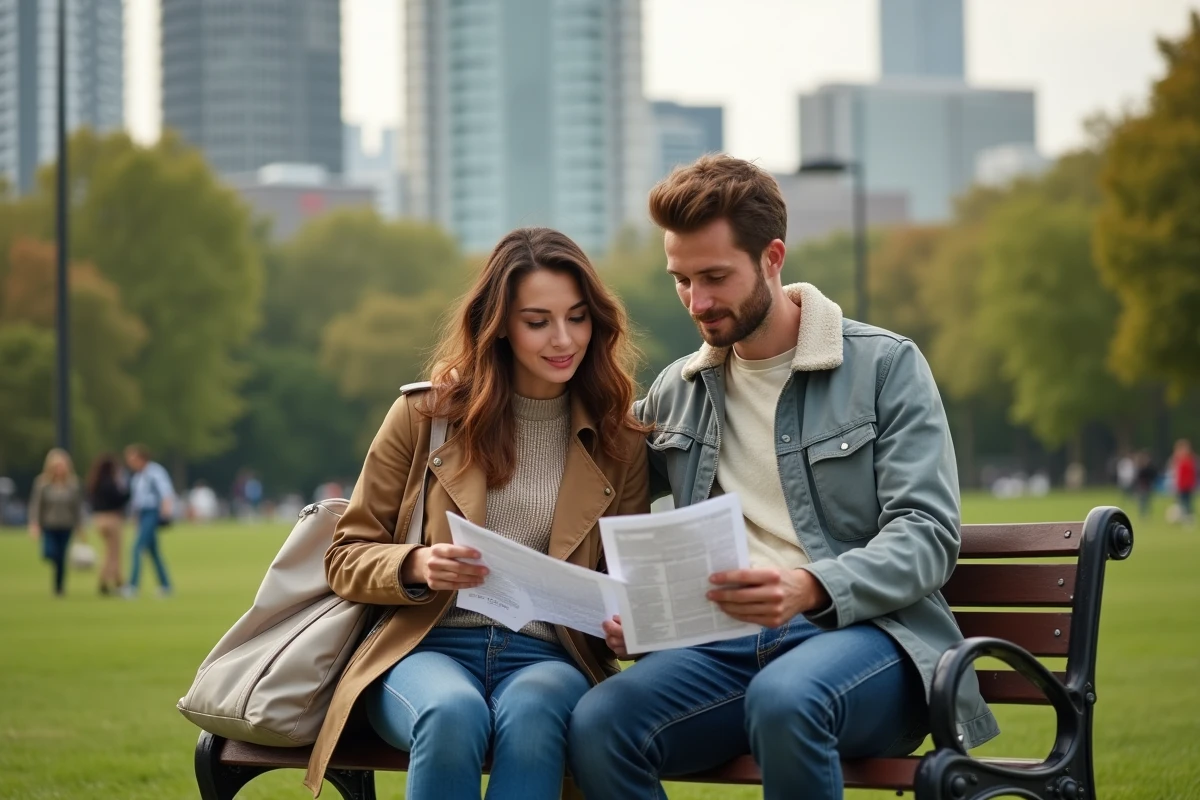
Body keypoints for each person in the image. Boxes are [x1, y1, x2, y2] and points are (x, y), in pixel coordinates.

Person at [568, 155, 998, 800]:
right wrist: (649, 615)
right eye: (682, 280)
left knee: (786, 699)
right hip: (723, 649)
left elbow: (927, 534)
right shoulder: (679, 390)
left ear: (772, 257)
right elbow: (583, 461)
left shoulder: (884, 366)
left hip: (870, 638)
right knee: (601, 722)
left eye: (715, 277)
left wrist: (807, 586)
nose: (697, 302)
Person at [303, 228, 650, 800]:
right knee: (451, 713)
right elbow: (344, 556)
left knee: (536, 713)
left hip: (551, 657)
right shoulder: (424, 415)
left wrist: (629, 625)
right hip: (423, 649)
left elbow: (627, 584)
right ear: (500, 326)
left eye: (578, 317)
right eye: (538, 321)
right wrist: (417, 565)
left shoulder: (621, 441)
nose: (564, 339)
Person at [28, 449, 85, 597]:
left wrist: (80, 526)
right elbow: (37, 505)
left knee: (61, 557)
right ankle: (55, 568)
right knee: (50, 552)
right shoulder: (42, 483)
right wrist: (35, 524)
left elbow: (77, 507)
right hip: (49, 524)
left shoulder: (73, 484)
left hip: (66, 524)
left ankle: (59, 587)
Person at [122, 444, 176, 598]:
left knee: (137, 548)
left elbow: (166, 492)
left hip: (153, 512)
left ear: (141, 458)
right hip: (143, 513)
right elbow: (137, 500)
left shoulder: (155, 472)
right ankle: (166, 585)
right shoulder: (137, 476)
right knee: (153, 551)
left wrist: (166, 512)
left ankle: (132, 585)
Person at [86, 453, 131, 595]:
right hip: (111, 518)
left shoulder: (95, 483)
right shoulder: (110, 483)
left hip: (98, 519)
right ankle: (107, 581)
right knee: (114, 552)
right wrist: (128, 491)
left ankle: (118, 580)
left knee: (108, 550)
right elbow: (119, 499)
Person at [1170, 438, 1196, 526]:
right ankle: (1184, 519)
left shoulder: (1189, 461)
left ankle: (1188, 519)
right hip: (1181, 486)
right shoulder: (1179, 461)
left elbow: (1191, 475)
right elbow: (1177, 475)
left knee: (1187, 503)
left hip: (1187, 485)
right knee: (1182, 503)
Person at [1133, 450, 1159, 519]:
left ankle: (1147, 513)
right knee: (1142, 501)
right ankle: (1143, 514)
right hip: (1142, 486)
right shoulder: (1140, 468)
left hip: (1147, 486)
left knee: (1147, 501)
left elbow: (1153, 475)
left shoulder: (1149, 468)